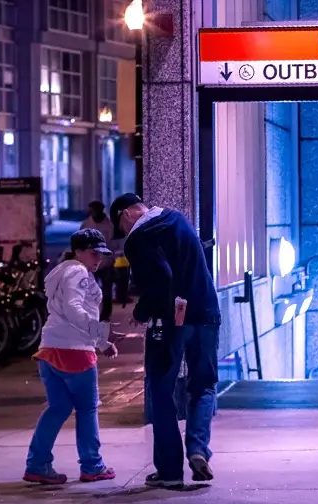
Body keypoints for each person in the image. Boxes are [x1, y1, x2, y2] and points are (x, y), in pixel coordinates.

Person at [109, 193, 220, 489]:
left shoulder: (138, 238)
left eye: (121, 227)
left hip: (169, 321)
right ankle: (198, 448)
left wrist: (141, 310)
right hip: (206, 313)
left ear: (126, 214)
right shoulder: (180, 220)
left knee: (161, 391)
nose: (124, 235)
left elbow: (162, 278)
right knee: (204, 385)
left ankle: (170, 471)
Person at [24, 228, 118, 485]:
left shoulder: (61, 272)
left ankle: (37, 464)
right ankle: (92, 465)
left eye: (101, 253)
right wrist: (101, 338)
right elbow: (74, 308)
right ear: (78, 252)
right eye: (93, 252)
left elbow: (65, 309)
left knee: (58, 408)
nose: (98, 258)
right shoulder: (78, 271)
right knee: (87, 409)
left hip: (49, 350)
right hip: (75, 353)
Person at [81, 201, 116, 321]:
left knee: (107, 291)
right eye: (93, 210)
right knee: (90, 292)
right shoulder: (86, 225)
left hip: (106, 263)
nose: (95, 213)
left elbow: (115, 244)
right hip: (90, 264)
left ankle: (105, 316)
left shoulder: (110, 225)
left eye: (97, 210)